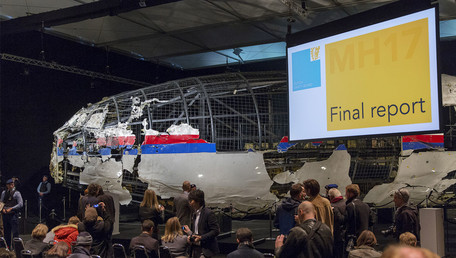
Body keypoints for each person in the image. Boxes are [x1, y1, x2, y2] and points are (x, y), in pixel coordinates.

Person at [183, 189, 219, 258]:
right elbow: (197, 232)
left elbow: (216, 231)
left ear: (198, 201)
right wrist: (190, 234)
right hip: (195, 248)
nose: (190, 203)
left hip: (205, 249)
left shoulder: (208, 213)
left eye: (191, 201)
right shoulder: (194, 213)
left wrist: (201, 237)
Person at [345, 183, 371, 248]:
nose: (345, 195)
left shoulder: (350, 206)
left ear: (351, 193)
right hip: (365, 237)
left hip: (353, 238)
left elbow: (346, 221)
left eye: (346, 193)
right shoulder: (366, 205)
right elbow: (372, 220)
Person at [1, 178, 23, 248]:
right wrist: (2, 209)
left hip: (13, 214)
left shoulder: (17, 193)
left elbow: (20, 204)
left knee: (15, 233)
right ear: (7, 185)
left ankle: (15, 248)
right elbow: (1, 202)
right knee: (6, 233)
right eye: (9, 185)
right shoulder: (4, 193)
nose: (11, 186)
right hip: (5, 214)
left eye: (12, 184)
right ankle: (7, 247)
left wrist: (12, 208)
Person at [328, 188, 346, 258]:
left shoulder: (333, 206)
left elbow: (340, 219)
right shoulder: (347, 202)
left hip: (337, 233)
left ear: (331, 197)